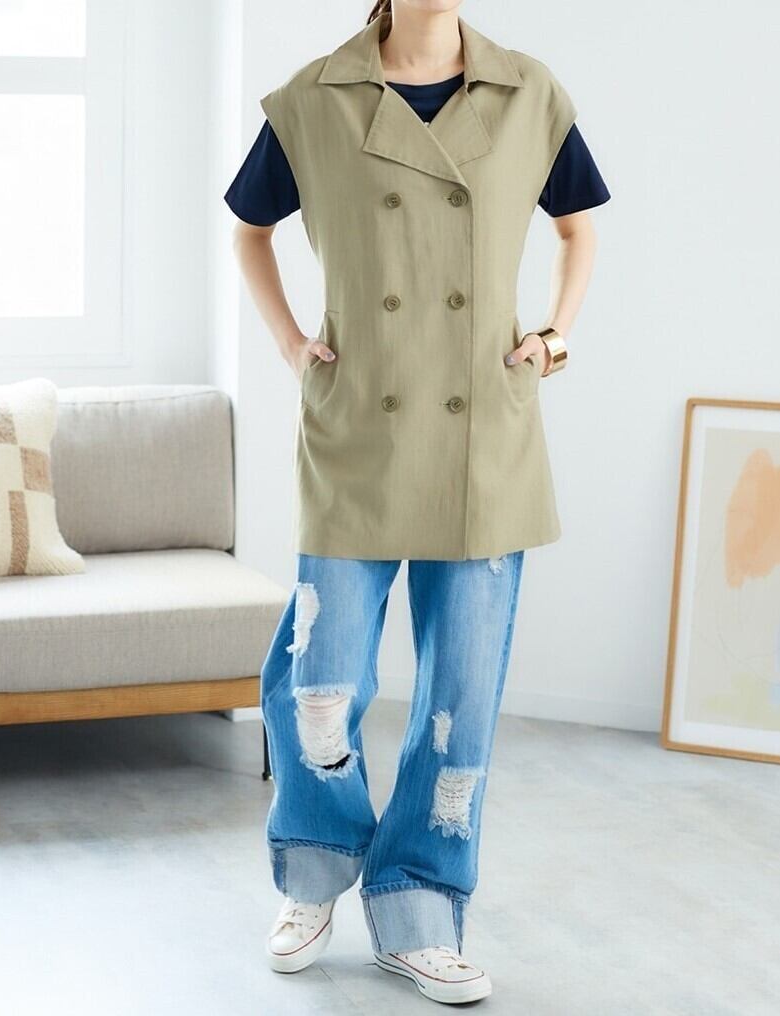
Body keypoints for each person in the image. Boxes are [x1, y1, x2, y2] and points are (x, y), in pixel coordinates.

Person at [225, 0, 610, 1004]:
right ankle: (315, 872)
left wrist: (554, 337)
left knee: (459, 694)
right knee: (320, 677)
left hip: (483, 432)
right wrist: (289, 343)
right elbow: (249, 229)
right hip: (357, 426)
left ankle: (418, 906)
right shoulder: (315, 97)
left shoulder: (528, 94)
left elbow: (577, 230)